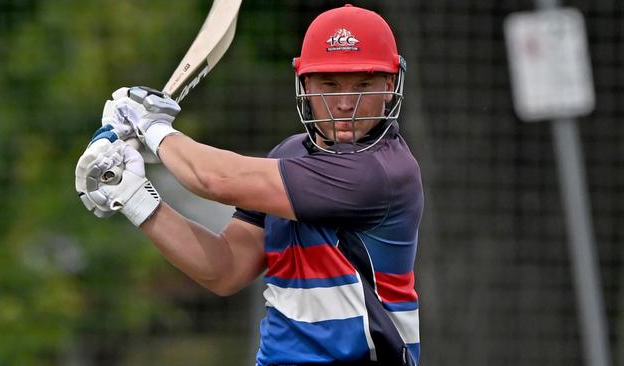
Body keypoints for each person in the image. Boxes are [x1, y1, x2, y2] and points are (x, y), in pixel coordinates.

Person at [75, 4, 423, 366]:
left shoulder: (381, 173)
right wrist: (135, 197)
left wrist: (152, 128)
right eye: (329, 84)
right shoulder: (288, 156)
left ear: (389, 85)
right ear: (304, 83)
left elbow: (214, 179)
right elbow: (225, 269)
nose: (345, 103)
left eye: (364, 84)